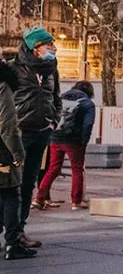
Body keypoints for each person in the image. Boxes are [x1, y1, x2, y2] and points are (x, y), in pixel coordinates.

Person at [11, 27, 59, 249]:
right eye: (48, 45)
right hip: (19, 132)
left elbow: (55, 96)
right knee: (10, 184)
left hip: (42, 132)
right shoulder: (14, 69)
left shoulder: (51, 70)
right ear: (35, 48)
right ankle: (8, 230)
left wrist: (54, 119)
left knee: (29, 182)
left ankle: (19, 230)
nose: (52, 49)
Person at [34, 79, 95, 210]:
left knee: (53, 169)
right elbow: (88, 124)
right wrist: (84, 141)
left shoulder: (61, 98)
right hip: (74, 140)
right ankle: (76, 201)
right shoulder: (88, 104)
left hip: (55, 138)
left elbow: (50, 114)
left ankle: (39, 198)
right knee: (77, 169)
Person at [0, 61, 35, 259]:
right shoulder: (2, 86)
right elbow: (7, 125)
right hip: (2, 151)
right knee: (12, 193)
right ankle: (12, 243)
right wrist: (18, 153)